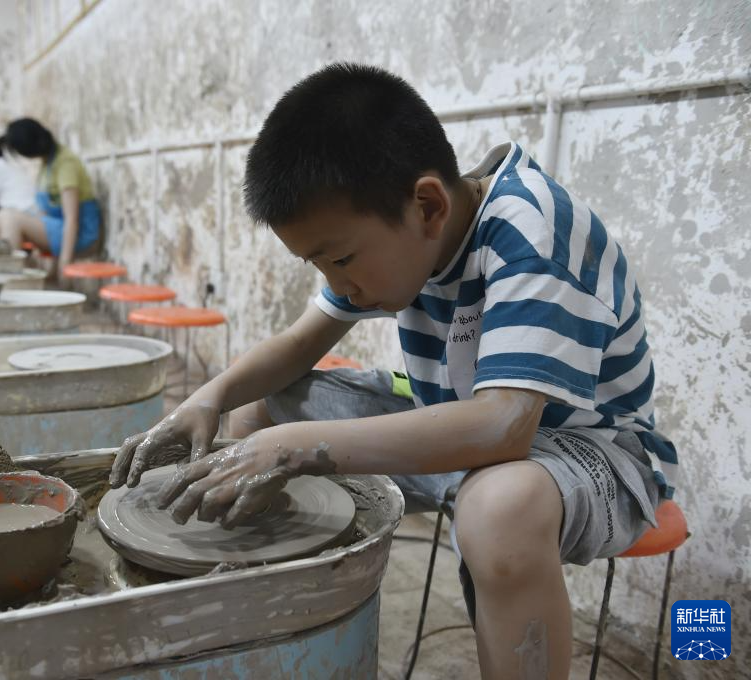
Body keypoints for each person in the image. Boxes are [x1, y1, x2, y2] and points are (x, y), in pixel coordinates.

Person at [109, 63, 678, 679]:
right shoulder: (408, 230)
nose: (338, 284)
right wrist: (207, 399)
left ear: (428, 205)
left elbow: (505, 426)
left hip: (595, 452)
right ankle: (270, 628)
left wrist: (292, 448)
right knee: (262, 404)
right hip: (458, 420)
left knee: (496, 510)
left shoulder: (534, 230)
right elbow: (298, 344)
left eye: (341, 260)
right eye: (320, 266)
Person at [0, 118, 101, 284]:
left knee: (11, 219)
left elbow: (72, 219)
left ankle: (13, 282)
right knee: (3, 216)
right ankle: (16, 277)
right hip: (59, 227)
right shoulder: (47, 163)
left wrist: (64, 264)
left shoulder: (65, 164)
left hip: (81, 233)